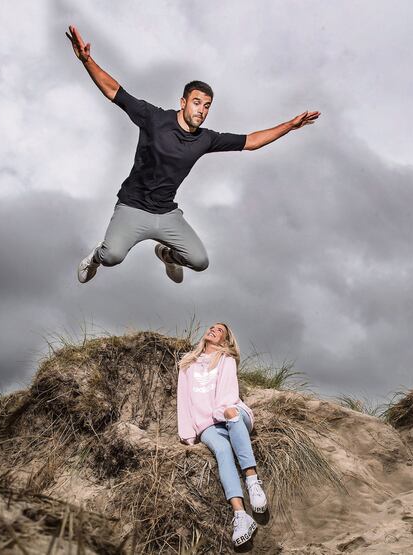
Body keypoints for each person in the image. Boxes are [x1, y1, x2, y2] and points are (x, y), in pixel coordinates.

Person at [65, 25, 321, 284]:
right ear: (183, 102)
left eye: (207, 106)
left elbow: (252, 141)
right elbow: (114, 91)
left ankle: (166, 255)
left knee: (200, 261)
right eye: (197, 102)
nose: (202, 110)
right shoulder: (154, 118)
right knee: (112, 257)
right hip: (132, 206)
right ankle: (95, 257)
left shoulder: (206, 138)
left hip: (166, 213)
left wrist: (290, 126)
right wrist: (87, 60)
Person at [177, 322, 267, 547]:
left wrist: (223, 414)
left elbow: (228, 396)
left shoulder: (226, 360)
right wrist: (188, 432)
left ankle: (253, 482)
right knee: (222, 449)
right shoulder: (188, 364)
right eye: (212, 327)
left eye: (220, 330)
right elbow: (184, 400)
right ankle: (241, 516)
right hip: (208, 424)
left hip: (232, 413)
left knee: (231, 414)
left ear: (225, 341)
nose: (213, 330)